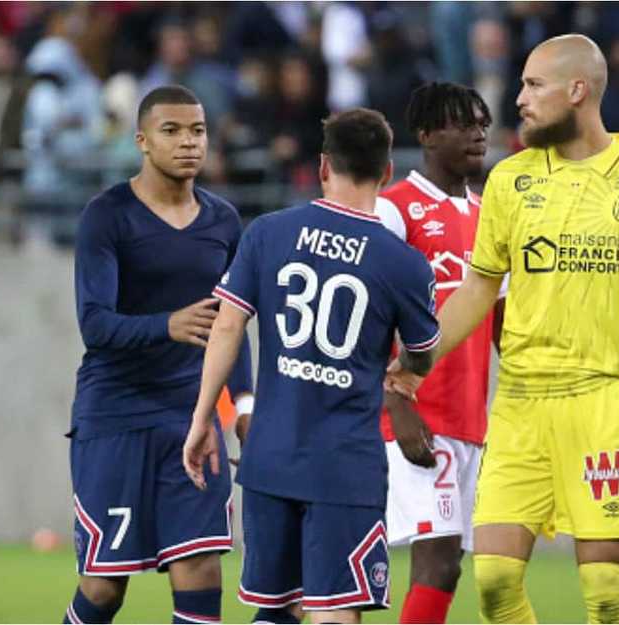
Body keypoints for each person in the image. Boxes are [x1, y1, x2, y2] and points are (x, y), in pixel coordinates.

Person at [387, 34, 619, 624]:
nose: (520, 100)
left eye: (534, 86)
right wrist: (414, 363)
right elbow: (479, 289)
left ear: (577, 91)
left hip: (605, 399)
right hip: (520, 402)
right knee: (493, 581)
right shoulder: (511, 180)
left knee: (607, 594)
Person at [184, 108, 441, 625]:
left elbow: (228, 327)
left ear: (323, 166)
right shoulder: (404, 262)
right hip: (345, 466)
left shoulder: (269, 233)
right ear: (387, 172)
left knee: (274, 612)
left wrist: (201, 419)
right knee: (334, 613)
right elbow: (423, 351)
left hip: (270, 458)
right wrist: (406, 367)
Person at [64, 85, 255, 625]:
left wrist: (241, 404)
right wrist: (166, 326)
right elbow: (94, 325)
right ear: (143, 141)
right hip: (115, 416)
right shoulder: (106, 216)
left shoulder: (223, 222)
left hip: (190, 420)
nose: (188, 142)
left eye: (197, 130)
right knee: (104, 587)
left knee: (200, 574)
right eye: (171, 131)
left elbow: (232, 325)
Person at [373, 81, 505, 624]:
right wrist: (397, 405)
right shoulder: (394, 210)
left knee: (450, 562)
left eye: (482, 123)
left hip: (471, 415)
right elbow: (371, 317)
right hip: (416, 412)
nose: (477, 132)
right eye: (461, 122)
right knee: (438, 561)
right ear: (426, 135)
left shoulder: (491, 214)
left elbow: (500, 322)